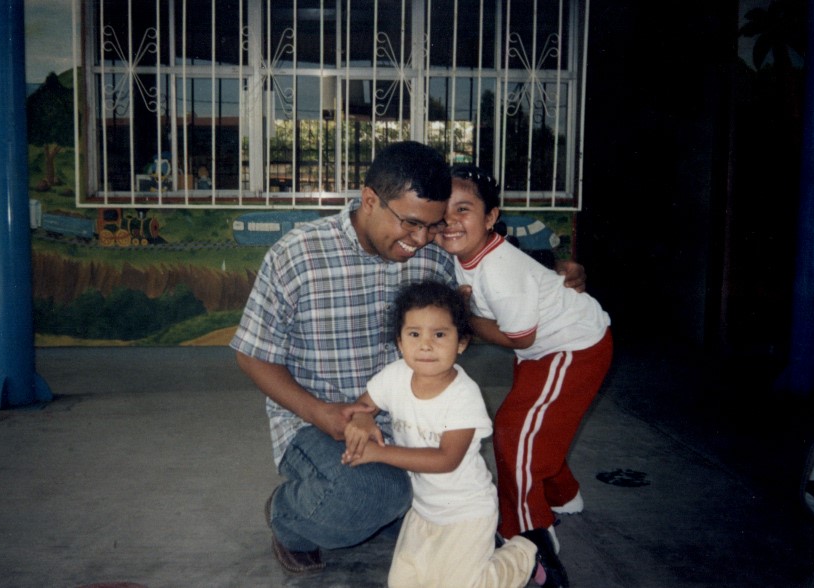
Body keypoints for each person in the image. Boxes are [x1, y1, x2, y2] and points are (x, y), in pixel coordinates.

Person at [230, 141, 586, 575]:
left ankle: (388, 502)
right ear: (369, 200)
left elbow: (499, 273)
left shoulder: (435, 253)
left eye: (432, 226)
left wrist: (556, 279)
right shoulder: (297, 255)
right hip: (319, 422)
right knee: (374, 493)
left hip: (416, 422)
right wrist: (320, 413)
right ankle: (289, 519)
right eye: (411, 223)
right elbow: (252, 355)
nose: (420, 240)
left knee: (467, 511)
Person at [436, 164, 613, 587]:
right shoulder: (466, 252)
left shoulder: (499, 271)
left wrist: (466, 317)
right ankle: (562, 495)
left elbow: (519, 337)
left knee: (515, 432)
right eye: (442, 212)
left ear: (491, 217)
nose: (450, 221)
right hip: (545, 349)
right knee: (536, 425)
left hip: (571, 347)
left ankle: (528, 532)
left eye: (463, 209)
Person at [341, 280, 560, 588]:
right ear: (400, 342)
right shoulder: (395, 376)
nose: (426, 345)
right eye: (414, 334)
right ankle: (480, 555)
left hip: (467, 512)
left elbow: (446, 459)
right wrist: (363, 418)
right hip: (423, 510)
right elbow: (363, 405)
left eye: (440, 334)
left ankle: (528, 550)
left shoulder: (463, 395)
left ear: (462, 343)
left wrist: (378, 453)